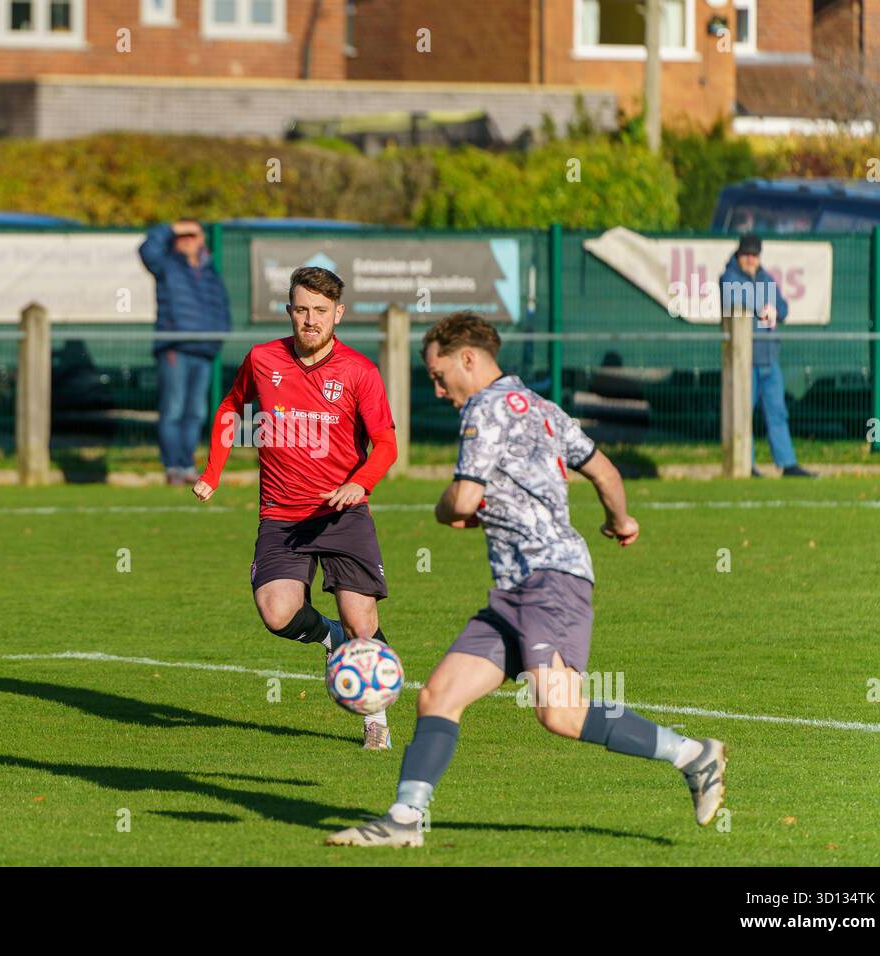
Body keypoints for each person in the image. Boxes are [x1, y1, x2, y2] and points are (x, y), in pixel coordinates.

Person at [326, 311, 727, 846]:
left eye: (438, 373)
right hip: (518, 590)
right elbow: (605, 472)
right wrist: (620, 520)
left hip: (548, 581)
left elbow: (463, 499)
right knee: (438, 695)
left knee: (559, 711)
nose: (438, 388)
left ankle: (694, 755)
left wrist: (447, 510)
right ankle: (404, 820)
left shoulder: (483, 410)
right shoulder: (542, 407)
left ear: (467, 359)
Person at [192, 266, 399, 750]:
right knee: (277, 612)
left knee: (361, 621)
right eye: (302, 310)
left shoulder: (358, 371)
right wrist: (212, 472)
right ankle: (329, 638)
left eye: (321, 312)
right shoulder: (263, 359)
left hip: (342, 512)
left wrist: (359, 483)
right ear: (290, 311)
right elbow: (230, 407)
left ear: (338, 314)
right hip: (282, 513)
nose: (311, 320)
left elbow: (386, 442)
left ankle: (375, 720)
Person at [138, 219, 231, 486]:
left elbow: (222, 308)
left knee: (196, 413)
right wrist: (172, 228)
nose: (188, 239)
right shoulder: (167, 264)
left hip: (203, 352)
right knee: (174, 409)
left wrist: (216, 340)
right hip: (175, 349)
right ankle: (173, 467)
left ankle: (187, 464)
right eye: (184, 235)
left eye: (194, 234)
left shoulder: (210, 271)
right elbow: (147, 249)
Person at [719, 234, 815, 478]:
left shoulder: (766, 278)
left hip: (769, 358)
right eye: (746, 255)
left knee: (777, 412)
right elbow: (734, 300)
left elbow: (782, 308)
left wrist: (772, 309)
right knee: (743, 414)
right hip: (744, 361)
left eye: (754, 255)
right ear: (739, 255)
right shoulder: (729, 277)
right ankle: (745, 465)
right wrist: (763, 305)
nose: (750, 260)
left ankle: (787, 463)